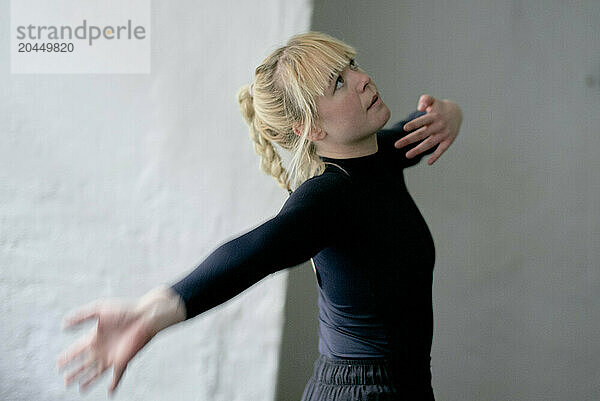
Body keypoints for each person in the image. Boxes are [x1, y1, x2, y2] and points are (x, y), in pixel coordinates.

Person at [56, 31, 463, 400]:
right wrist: (157, 309)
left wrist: (449, 113)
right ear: (310, 127)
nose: (362, 79)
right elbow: (259, 249)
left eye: (351, 65)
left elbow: (429, 125)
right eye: (337, 83)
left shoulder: (383, 155)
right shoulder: (327, 198)